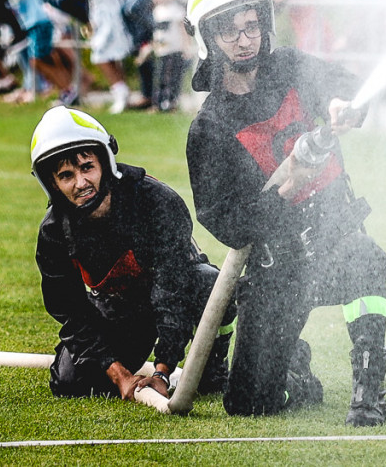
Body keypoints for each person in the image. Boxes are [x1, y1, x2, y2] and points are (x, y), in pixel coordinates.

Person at [184, 0, 386, 426]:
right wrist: (283, 191)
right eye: (230, 31)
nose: (244, 39)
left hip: (336, 237)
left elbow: (343, 86)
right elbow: (224, 220)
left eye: (252, 26)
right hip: (277, 265)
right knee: (248, 404)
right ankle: (295, 370)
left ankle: (369, 386)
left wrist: (341, 104)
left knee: (366, 260)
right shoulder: (209, 129)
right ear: (208, 39)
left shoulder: (293, 68)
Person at [30, 105, 235, 402]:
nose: (81, 183)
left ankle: (212, 366)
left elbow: (172, 288)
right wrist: (119, 374)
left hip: (179, 294)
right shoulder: (53, 233)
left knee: (212, 284)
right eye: (66, 175)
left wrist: (163, 372)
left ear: (105, 162)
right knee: (70, 383)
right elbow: (71, 312)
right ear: (52, 184)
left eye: (87, 167)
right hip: (122, 311)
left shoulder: (157, 203)